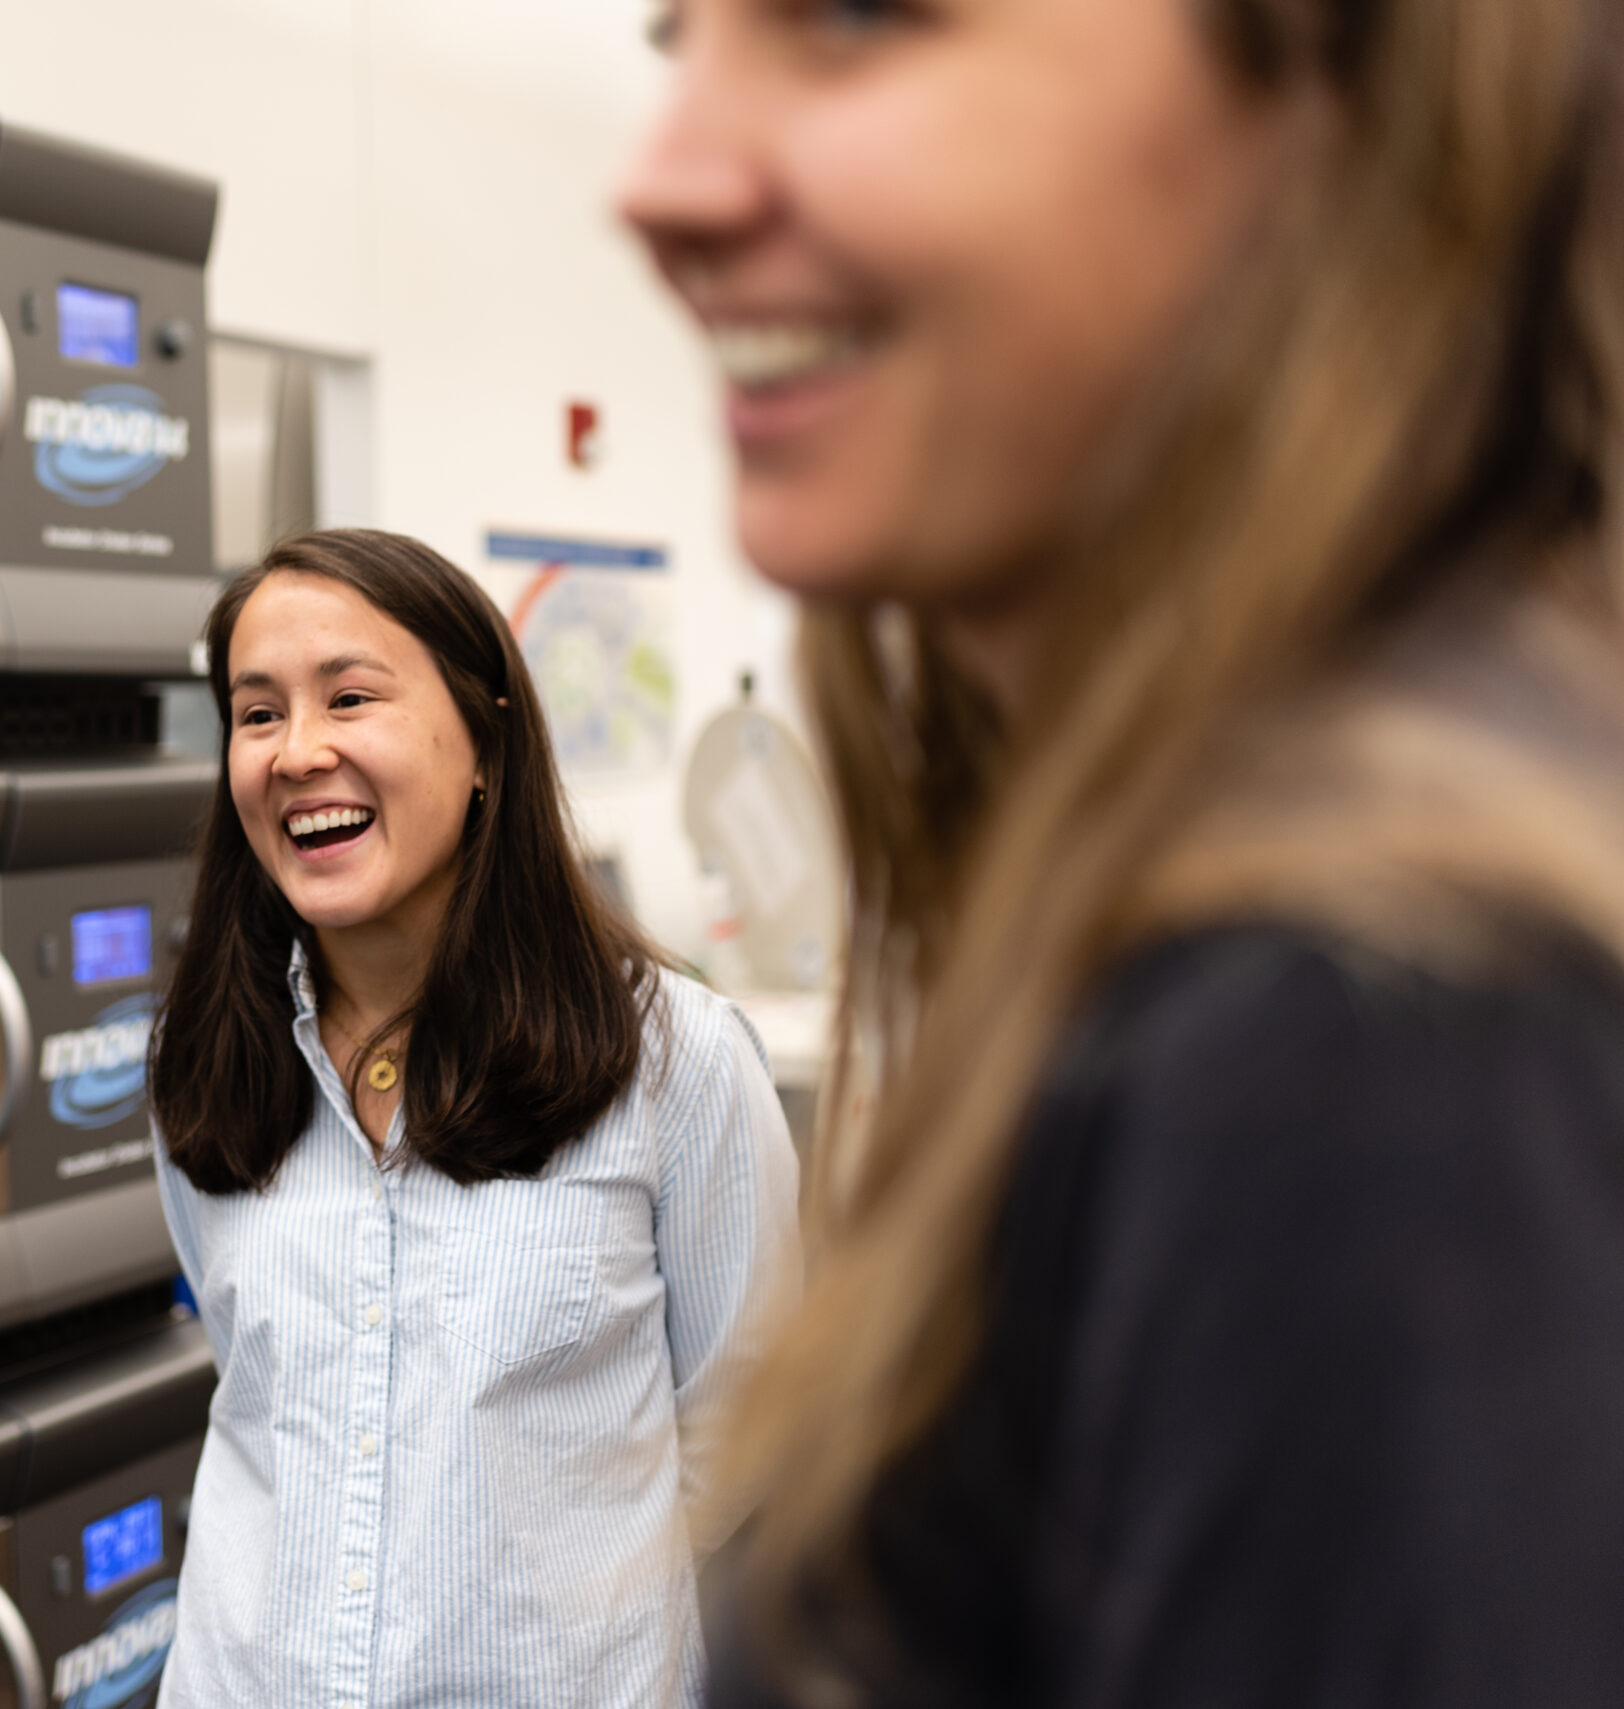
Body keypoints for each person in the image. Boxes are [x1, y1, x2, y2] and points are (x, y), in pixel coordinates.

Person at [620, 0, 1624, 1704]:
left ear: (1345, 89)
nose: (660, 178)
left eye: (851, 16)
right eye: (677, 34)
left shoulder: (1360, 1038)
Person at [148, 527, 798, 1709]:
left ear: (485, 733)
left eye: (351, 695)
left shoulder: (676, 1063)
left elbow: (745, 1433)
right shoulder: (206, 1060)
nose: (298, 752)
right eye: (255, 713)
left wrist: (560, 1607)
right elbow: (254, 1386)